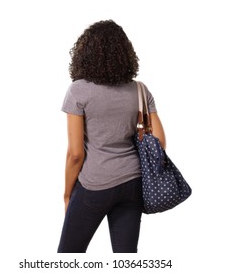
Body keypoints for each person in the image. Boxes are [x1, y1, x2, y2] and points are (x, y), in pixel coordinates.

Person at [57, 20, 166, 253]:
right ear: (124, 53)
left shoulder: (78, 90)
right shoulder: (139, 90)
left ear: (84, 53)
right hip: (133, 183)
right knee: (125, 258)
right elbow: (160, 142)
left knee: (68, 256)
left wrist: (67, 194)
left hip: (94, 185)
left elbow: (75, 154)